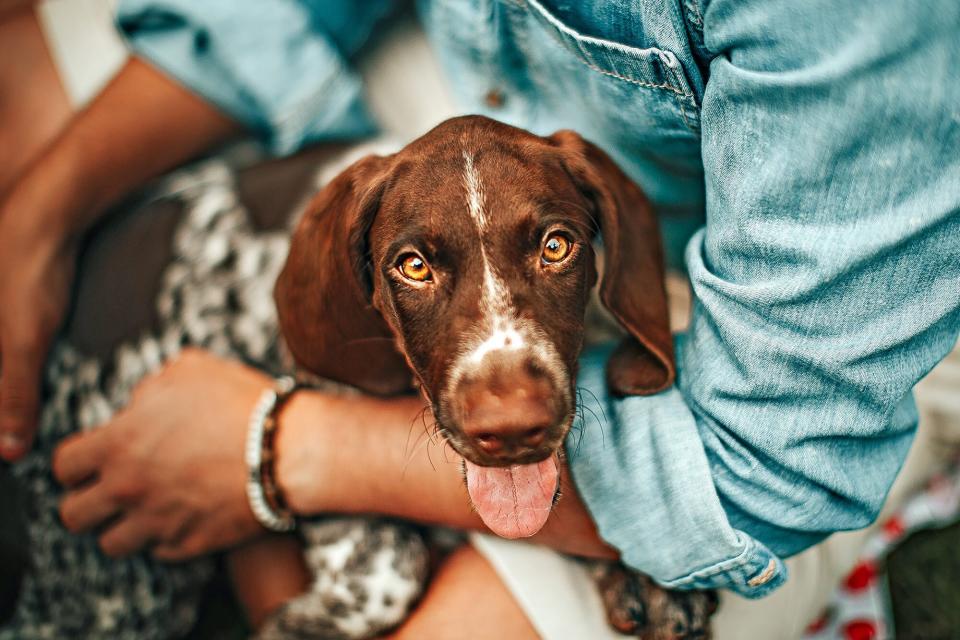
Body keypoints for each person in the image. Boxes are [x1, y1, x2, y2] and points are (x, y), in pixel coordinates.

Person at [2, 0, 959, 637]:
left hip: (831, 318)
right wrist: (31, 226)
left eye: (554, 252)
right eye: (411, 266)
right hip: (478, 93)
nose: (505, 414)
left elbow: (773, 471)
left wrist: (273, 452)